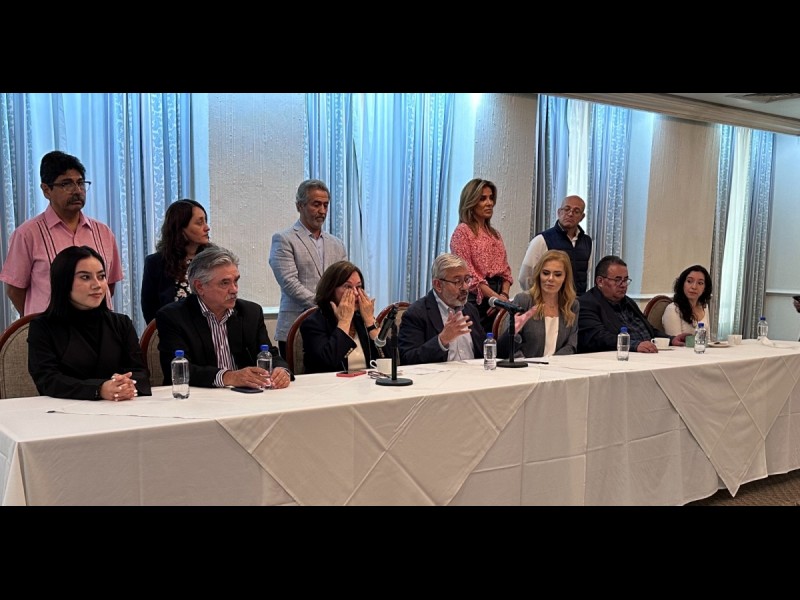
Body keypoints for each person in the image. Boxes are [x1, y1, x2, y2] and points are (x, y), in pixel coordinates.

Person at [1, 150, 123, 316]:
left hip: (98, 326)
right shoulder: (27, 234)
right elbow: (15, 289)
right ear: (46, 190)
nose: (77, 190)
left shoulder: (103, 232)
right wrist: (42, 321)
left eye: (80, 183)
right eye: (67, 184)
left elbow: (109, 284)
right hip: (50, 328)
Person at [156, 245, 292, 389]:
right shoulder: (173, 317)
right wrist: (228, 377)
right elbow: (178, 369)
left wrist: (281, 371)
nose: (234, 289)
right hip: (197, 396)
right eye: (225, 283)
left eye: (236, 281)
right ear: (200, 287)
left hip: (246, 395)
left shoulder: (251, 312)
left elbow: (269, 354)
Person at [27, 246, 151, 401]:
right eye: (85, 277)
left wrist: (126, 384)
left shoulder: (121, 323)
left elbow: (140, 372)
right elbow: (48, 380)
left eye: (101, 276)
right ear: (63, 281)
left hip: (121, 406)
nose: (97, 285)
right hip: (64, 410)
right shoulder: (42, 327)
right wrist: (99, 389)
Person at [269, 179, 348, 358]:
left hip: (332, 328)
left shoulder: (337, 244)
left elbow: (344, 282)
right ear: (299, 206)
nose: (322, 211)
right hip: (296, 326)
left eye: (326, 205)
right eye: (316, 204)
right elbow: (289, 282)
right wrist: (323, 306)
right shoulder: (283, 239)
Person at [578, 255, 687, 353]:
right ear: (600, 281)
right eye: (617, 280)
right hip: (616, 358)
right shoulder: (587, 303)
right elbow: (599, 337)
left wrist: (671, 339)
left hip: (645, 355)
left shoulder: (628, 302)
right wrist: (634, 345)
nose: (623, 285)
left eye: (625, 280)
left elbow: (649, 330)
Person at [449, 178, 513, 335]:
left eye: (491, 198)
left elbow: (506, 271)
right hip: (475, 298)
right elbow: (468, 274)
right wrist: (495, 298)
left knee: (499, 342)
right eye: (483, 199)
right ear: (471, 202)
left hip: (498, 296)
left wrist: (503, 297)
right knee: (478, 342)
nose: (489, 203)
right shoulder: (462, 232)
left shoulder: (495, 234)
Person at [397, 253, 485, 365]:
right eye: (457, 282)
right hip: (439, 375)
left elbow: (485, 351)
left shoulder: (470, 310)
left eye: (467, 280)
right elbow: (408, 359)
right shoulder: (417, 313)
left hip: (474, 373)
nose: (465, 287)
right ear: (438, 285)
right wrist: (441, 340)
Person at [300, 260, 383, 374]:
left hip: (367, 383)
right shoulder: (314, 323)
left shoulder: (362, 318)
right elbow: (328, 363)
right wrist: (344, 322)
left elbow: (391, 360)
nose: (356, 293)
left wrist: (370, 322)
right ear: (331, 290)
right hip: (331, 384)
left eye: (359, 287)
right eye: (348, 287)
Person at [497, 249, 580, 358]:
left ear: (565, 278)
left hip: (559, 366)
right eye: (546, 273)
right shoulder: (524, 300)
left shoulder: (572, 305)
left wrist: (553, 364)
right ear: (539, 274)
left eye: (558, 275)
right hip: (527, 365)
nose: (550, 279)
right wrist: (513, 333)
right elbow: (506, 349)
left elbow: (571, 345)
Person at [141, 199, 211, 324]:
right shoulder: (155, 263)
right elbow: (150, 312)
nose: (207, 228)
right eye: (199, 223)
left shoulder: (214, 260)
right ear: (181, 228)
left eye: (205, 221)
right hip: (171, 331)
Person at [519, 195, 593, 296]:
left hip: (578, 301)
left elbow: (586, 272)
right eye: (567, 209)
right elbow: (525, 277)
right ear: (559, 212)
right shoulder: (542, 239)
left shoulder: (587, 242)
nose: (570, 214)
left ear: (582, 217)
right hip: (550, 301)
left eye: (576, 211)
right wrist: (538, 298)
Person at [662, 264, 713, 336]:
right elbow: (676, 341)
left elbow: (707, 339)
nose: (694, 287)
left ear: (705, 288)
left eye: (700, 283)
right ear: (682, 284)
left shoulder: (704, 307)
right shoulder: (673, 309)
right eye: (689, 281)